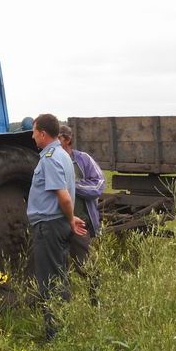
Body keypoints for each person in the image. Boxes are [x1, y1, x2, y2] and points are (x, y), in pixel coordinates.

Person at [27, 113, 87, 341]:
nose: (32, 137)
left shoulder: (50, 158)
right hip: (57, 223)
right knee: (59, 278)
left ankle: (56, 337)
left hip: (50, 226)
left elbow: (63, 196)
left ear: (43, 133)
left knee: (50, 283)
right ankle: (65, 329)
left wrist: (71, 218)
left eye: (34, 132)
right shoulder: (61, 154)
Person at [58, 124, 105, 305]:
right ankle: (63, 306)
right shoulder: (51, 160)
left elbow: (98, 185)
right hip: (58, 223)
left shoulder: (82, 159)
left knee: (85, 266)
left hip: (80, 223)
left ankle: (96, 303)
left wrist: (71, 186)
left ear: (67, 140)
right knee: (59, 268)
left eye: (58, 139)